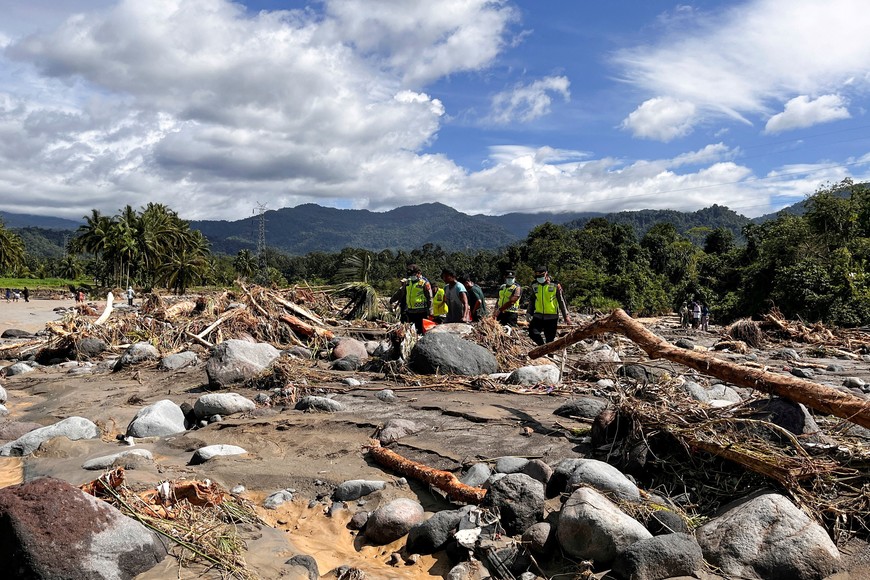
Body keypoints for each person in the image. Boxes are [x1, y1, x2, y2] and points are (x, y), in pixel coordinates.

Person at [527, 265, 571, 345]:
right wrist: (529, 312)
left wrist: (566, 316)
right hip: (538, 315)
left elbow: (561, 301)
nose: (539, 278)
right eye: (537, 276)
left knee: (550, 339)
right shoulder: (534, 285)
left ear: (546, 274)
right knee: (532, 332)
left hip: (551, 316)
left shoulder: (555, 285)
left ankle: (550, 355)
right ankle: (542, 347)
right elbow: (532, 300)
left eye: (541, 276)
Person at [396, 264, 432, 333]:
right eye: (410, 275)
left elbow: (429, 298)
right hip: (410, 311)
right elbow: (400, 292)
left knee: (421, 331)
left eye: (413, 275)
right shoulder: (408, 282)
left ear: (419, 273)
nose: (412, 277)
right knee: (411, 332)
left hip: (421, 311)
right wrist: (392, 300)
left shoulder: (424, 283)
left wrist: (430, 311)